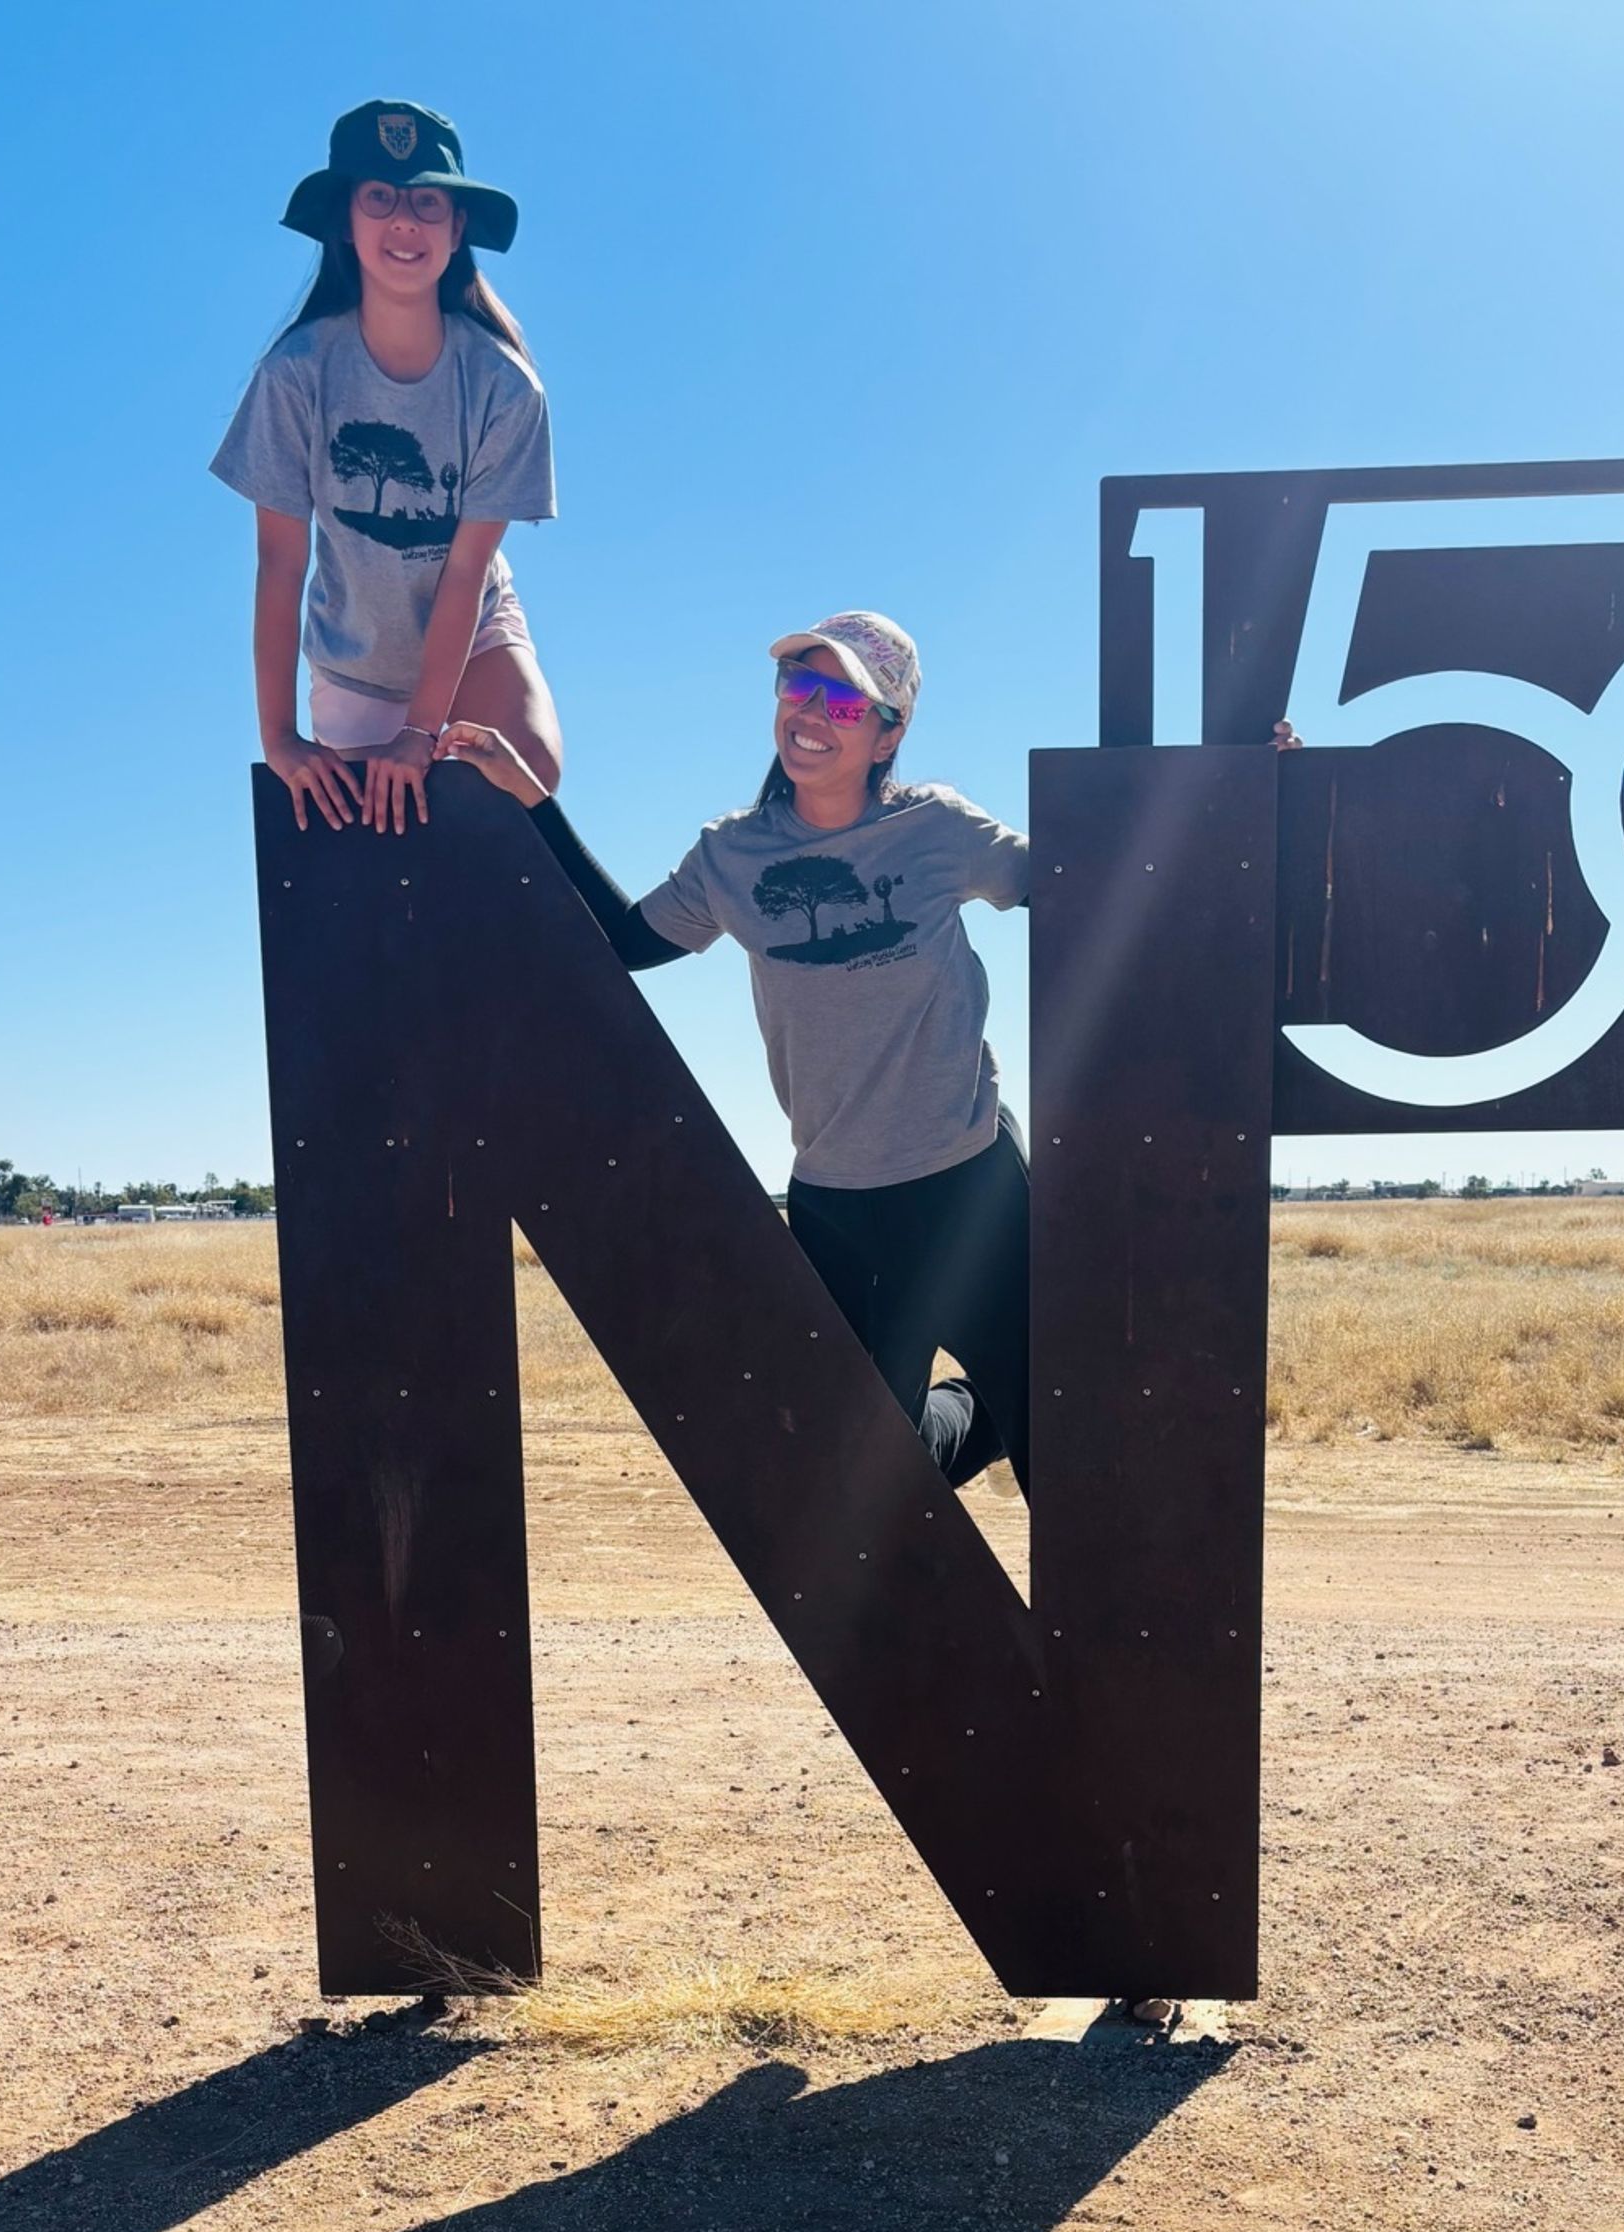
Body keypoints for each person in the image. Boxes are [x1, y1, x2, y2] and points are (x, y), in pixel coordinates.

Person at [444, 612, 1036, 1492]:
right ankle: (982, 1414)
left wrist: (1226, 796)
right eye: (800, 685)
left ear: (888, 735)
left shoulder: (937, 830)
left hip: (968, 1182)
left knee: (1063, 1447)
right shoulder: (734, 855)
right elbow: (625, 941)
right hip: (837, 1202)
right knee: (875, 1476)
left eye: (844, 700)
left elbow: (1074, 880)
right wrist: (533, 799)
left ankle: (1019, 1426)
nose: (812, 712)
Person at [212, 99, 562, 837]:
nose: (405, 220)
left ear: (456, 227)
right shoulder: (294, 376)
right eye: (380, 197)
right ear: (346, 220)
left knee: (529, 775)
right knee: (377, 834)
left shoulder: (505, 386)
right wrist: (279, 737)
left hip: (472, 629)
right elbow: (280, 563)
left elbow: (465, 571)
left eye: (427, 201)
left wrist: (421, 732)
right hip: (355, 654)